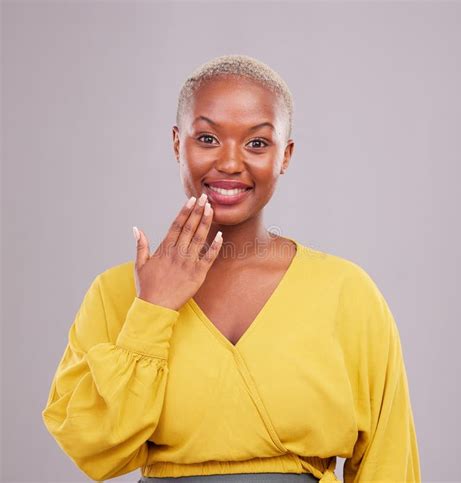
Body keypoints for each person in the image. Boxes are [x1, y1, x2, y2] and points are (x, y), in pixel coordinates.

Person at [42, 54, 422, 482]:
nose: (229, 162)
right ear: (175, 143)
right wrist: (153, 311)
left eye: (257, 143)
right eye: (207, 138)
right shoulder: (117, 293)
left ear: (285, 155)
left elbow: (390, 463)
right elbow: (90, 445)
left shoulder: (346, 293)